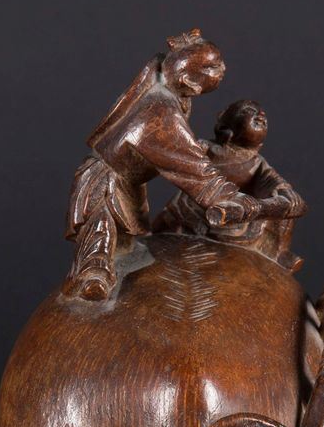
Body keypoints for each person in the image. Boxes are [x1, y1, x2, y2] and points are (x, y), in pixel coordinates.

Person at [63, 31, 267, 301]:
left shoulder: (167, 91)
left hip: (127, 184)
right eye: (212, 67)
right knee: (99, 245)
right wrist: (231, 198)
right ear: (189, 82)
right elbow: (195, 170)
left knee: (128, 243)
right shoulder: (161, 114)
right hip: (105, 183)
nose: (222, 69)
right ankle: (92, 279)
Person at [153, 98, 306, 272]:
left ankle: (280, 253)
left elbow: (274, 183)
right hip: (194, 207)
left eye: (262, 114)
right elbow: (182, 158)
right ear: (225, 127)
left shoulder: (257, 164)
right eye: (248, 111)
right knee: (167, 217)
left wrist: (285, 192)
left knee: (285, 211)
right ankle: (149, 234)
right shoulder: (205, 148)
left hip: (237, 217)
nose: (261, 115)